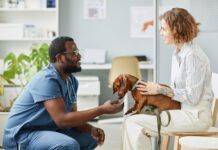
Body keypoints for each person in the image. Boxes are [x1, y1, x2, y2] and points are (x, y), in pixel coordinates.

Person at [3, 36, 124, 150]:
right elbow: (62, 120)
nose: (79, 56)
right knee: (68, 145)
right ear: (60, 58)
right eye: (74, 53)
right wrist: (101, 109)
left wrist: (90, 128)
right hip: (24, 135)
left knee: (90, 138)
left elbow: (72, 118)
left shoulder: (71, 81)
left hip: (49, 131)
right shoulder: (47, 79)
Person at [123, 8, 214, 150]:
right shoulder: (177, 53)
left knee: (134, 123)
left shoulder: (193, 56)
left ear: (176, 30)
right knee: (131, 119)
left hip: (195, 117)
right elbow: (178, 91)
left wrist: (160, 89)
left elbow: (192, 97)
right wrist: (154, 92)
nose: (161, 33)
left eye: (164, 29)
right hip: (182, 111)